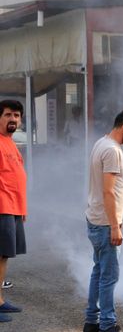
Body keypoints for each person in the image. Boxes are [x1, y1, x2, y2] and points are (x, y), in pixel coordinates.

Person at [83, 109, 123, 332]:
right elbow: (109, 192)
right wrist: (115, 226)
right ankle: (107, 325)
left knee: (98, 271)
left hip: (96, 218)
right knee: (109, 277)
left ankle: (91, 322)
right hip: (104, 223)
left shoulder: (101, 143)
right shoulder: (112, 151)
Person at [0, 100, 27, 323]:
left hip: (12, 207)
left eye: (16, 115)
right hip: (1, 206)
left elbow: (16, 178)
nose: (13, 119)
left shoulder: (10, 143)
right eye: (8, 115)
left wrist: (21, 209)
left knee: (3, 256)